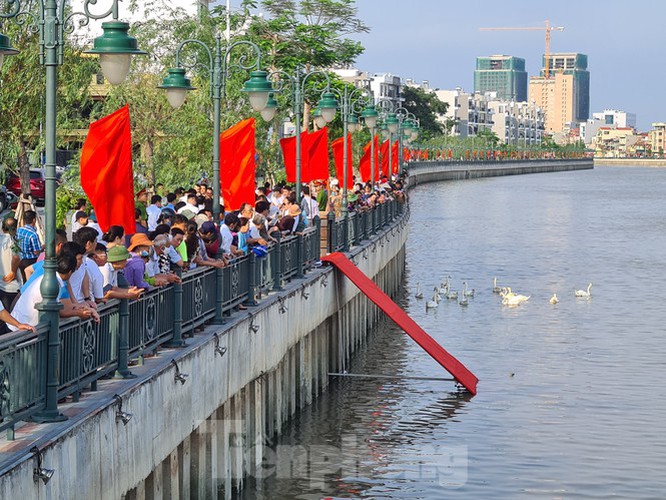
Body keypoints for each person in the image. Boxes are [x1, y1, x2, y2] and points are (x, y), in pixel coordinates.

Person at [9, 252, 98, 331]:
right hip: (22, 328)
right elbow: (58, 311)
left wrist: (85, 310)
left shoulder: (51, 279)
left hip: (22, 324)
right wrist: (79, 313)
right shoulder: (53, 284)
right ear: (70, 272)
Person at [0, 216, 21, 311]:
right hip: (10, 286)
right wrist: (13, 271)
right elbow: (16, 257)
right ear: (14, 229)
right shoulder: (12, 242)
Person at [15, 210, 42, 281]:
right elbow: (36, 252)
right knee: (31, 282)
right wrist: (43, 247)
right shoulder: (33, 234)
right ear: (34, 220)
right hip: (31, 261)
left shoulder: (19, 230)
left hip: (21, 259)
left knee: (24, 280)